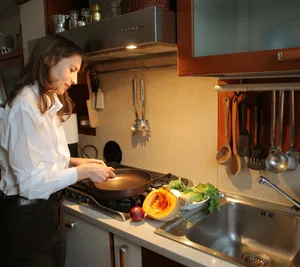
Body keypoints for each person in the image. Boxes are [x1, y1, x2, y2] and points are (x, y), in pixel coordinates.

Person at [0, 34, 116, 267]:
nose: (74, 79)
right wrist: (84, 173)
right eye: (72, 69)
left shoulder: (45, 100)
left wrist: (77, 163)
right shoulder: (25, 105)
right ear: (50, 59)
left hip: (48, 212)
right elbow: (31, 185)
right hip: (25, 222)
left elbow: (43, 160)